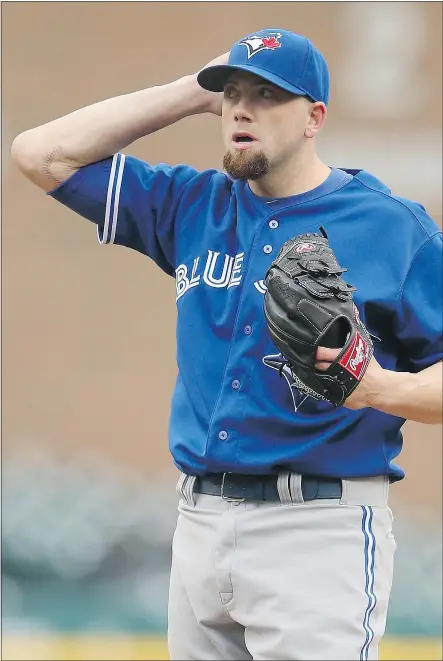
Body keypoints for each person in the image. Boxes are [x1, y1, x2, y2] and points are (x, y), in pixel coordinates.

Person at [12, 27, 442, 661]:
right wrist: (190, 91)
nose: (242, 108)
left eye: (267, 95)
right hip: (200, 528)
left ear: (314, 117)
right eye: (232, 94)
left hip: (316, 533)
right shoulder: (192, 205)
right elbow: (39, 155)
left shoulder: (391, 226)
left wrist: (379, 387)